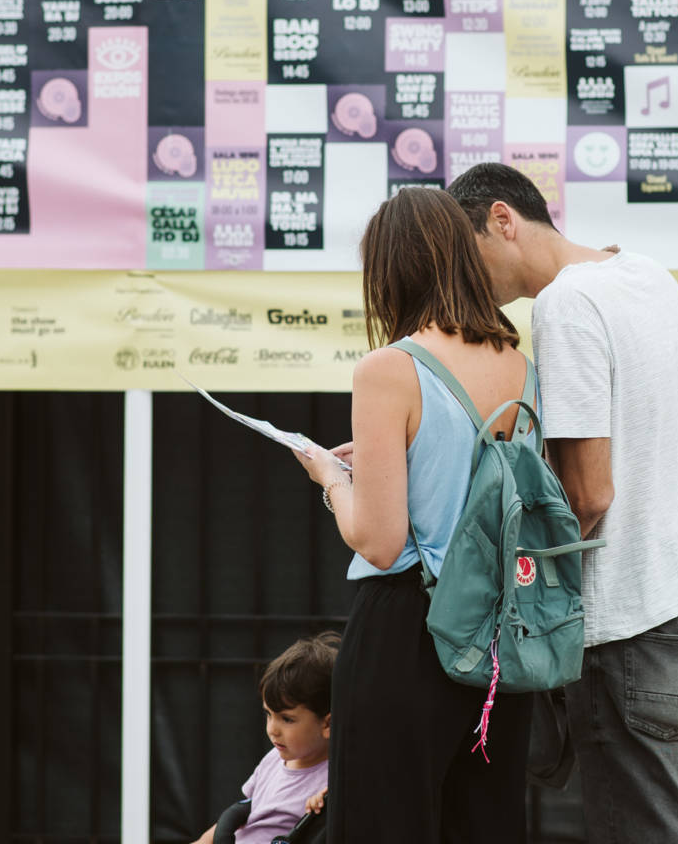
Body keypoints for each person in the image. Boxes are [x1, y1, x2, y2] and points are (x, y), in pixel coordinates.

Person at [446, 162, 678, 843]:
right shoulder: (646, 273)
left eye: (464, 255)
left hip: (638, 612)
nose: (465, 279)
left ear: (503, 219)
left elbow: (588, 494)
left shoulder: (565, 304)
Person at [293, 186, 536, 844]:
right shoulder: (522, 368)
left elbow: (379, 541)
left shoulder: (389, 368)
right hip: (500, 641)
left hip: (409, 629)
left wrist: (331, 479)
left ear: (389, 273)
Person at [192, 633, 338, 844]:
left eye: (287, 719)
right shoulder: (273, 759)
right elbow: (247, 813)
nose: (272, 730)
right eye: (269, 714)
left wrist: (324, 808)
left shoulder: (333, 781)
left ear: (327, 725)